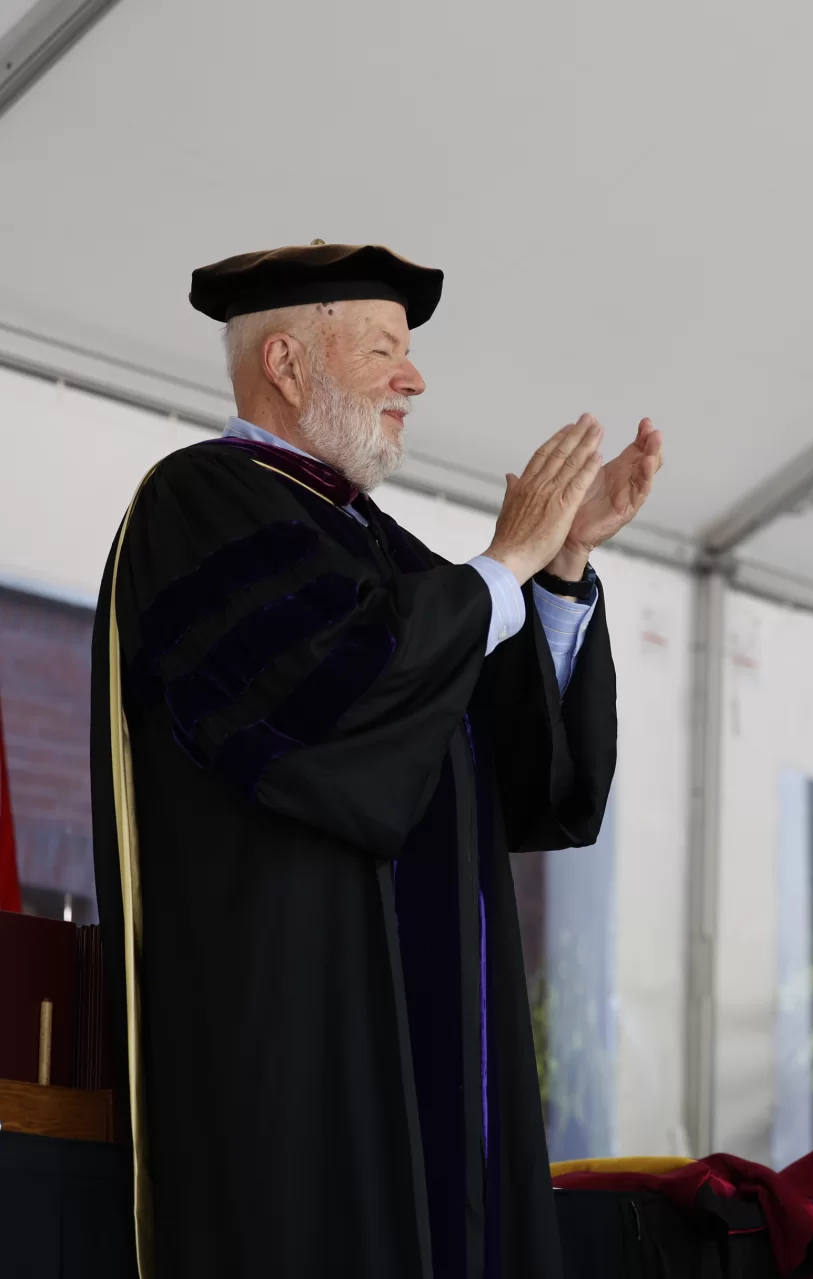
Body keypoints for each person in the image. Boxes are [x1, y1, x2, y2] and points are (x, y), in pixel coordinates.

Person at [88, 242, 664, 1278]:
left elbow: (525, 785)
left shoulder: (374, 546)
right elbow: (335, 709)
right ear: (287, 364)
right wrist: (499, 567)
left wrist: (558, 572)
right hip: (292, 1032)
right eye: (384, 350)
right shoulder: (200, 502)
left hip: (417, 1036)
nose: (415, 378)